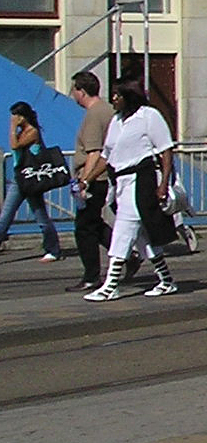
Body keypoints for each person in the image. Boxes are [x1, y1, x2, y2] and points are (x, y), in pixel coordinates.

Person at [87, 78, 179, 300]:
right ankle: (166, 280)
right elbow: (106, 155)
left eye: (117, 95)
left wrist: (163, 184)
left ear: (130, 96)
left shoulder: (149, 116)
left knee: (124, 228)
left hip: (142, 180)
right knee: (141, 235)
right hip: (120, 182)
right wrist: (87, 179)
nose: (113, 99)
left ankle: (111, 284)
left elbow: (166, 151)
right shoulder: (116, 121)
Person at [0, 102, 65, 262]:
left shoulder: (32, 132)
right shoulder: (22, 132)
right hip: (19, 179)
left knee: (41, 217)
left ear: (23, 116)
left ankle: (53, 249)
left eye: (16, 115)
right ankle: (53, 248)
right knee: (5, 216)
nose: (14, 118)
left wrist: (12, 126)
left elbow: (14, 145)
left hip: (30, 180)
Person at [68, 71, 113, 291]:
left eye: (73, 90)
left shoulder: (95, 114)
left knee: (84, 228)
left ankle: (91, 276)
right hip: (99, 178)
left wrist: (84, 181)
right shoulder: (107, 110)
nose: (72, 95)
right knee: (95, 224)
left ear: (81, 91)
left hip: (94, 179)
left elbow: (94, 152)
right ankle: (128, 253)